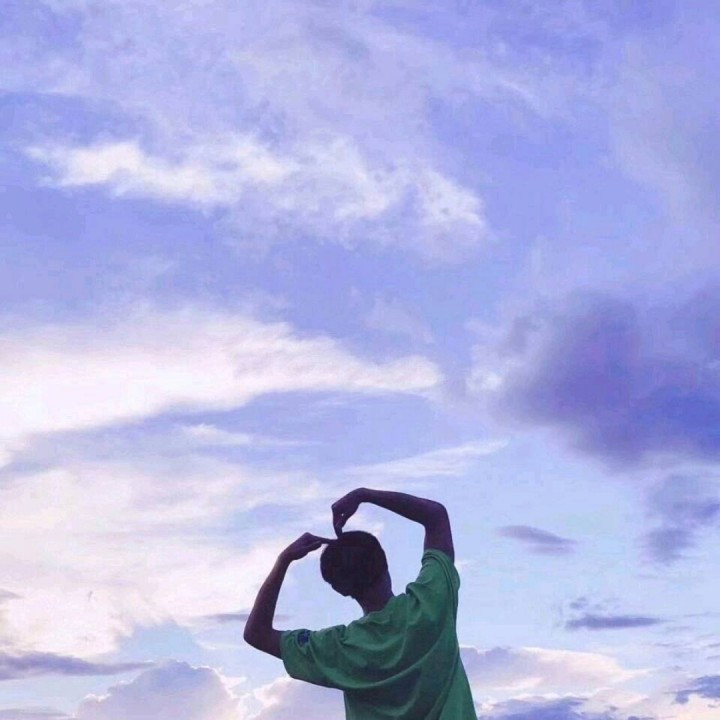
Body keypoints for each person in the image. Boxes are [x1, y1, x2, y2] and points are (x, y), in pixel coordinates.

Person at [243, 487, 477, 719]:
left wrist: (283, 561)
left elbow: (257, 634)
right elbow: (435, 516)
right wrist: (364, 495)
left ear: (340, 589)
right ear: (385, 564)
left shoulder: (340, 649)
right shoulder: (431, 602)